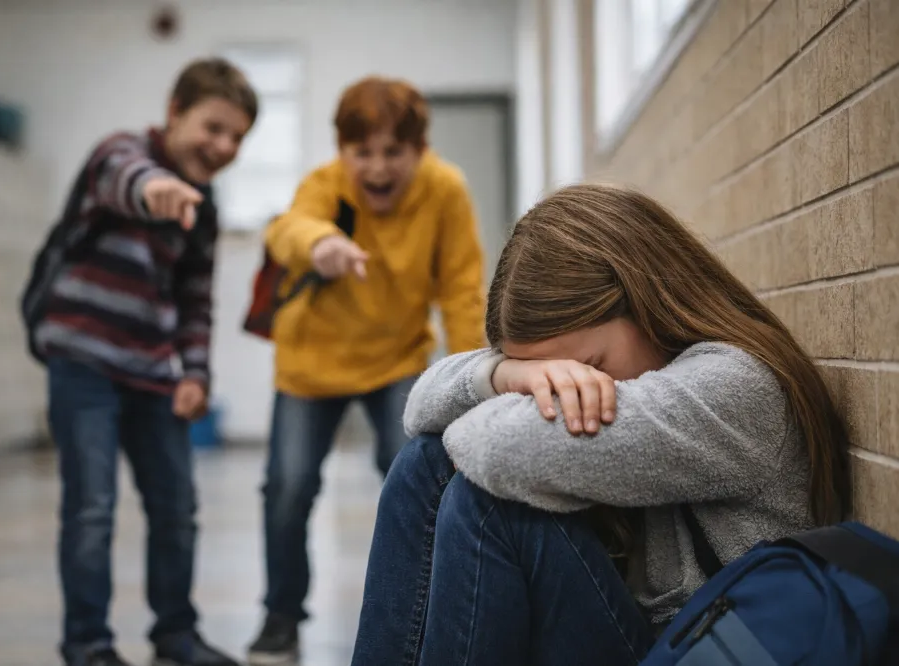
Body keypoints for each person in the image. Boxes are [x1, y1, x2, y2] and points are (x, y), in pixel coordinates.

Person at [349, 184, 853, 666]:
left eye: (587, 368)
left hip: (708, 651)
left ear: (647, 304)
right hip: (656, 644)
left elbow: (494, 448)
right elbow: (420, 410)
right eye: (550, 380)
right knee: (426, 462)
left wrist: (505, 391)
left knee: (486, 503)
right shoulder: (644, 365)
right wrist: (502, 375)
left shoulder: (734, 386)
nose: (567, 391)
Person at [248, 76, 487, 663]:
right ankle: (281, 616)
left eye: (393, 152)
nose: (377, 168)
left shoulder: (445, 189)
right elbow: (286, 230)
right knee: (288, 487)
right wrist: (320, 244)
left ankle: (426, 611)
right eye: (363, 153)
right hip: (311, 362)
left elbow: (461, 290)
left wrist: (471, 385)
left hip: (396, 359)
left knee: (416, 477)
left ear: (420, 149)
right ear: (342, 150)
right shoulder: (326, 184)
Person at [33, 58, 256, 666]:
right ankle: (88, 644)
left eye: (237, 137)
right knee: (92, 508)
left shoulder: (204, 207)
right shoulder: (121, 152)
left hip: (153, 371)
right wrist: (153, 189)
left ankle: (175, 634)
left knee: (176, 507)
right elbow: (122, 175)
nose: (223, 146)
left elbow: (195, 301)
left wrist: (196, 374)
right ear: (174, 112)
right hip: (83, 361)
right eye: (213, 128)